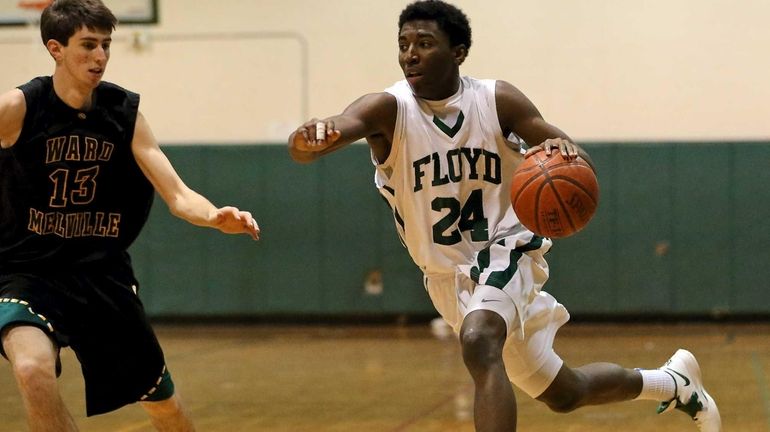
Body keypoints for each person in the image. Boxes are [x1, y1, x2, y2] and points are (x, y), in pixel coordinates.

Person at [288, 1, 721, 431]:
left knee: (478, 341)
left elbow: (574, 157)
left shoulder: (496, 101)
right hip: (446, 275)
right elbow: (323, 136)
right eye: (403, 44)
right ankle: (672, 383)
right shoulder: (387, 110)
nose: (410, 54)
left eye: (424, 43)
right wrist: (310, 138)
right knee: (563, 392)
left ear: (458, 52)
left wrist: (567, 154)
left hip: (507, 247)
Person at [0, 1, 260, 431]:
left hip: (100, 274)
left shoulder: (123, 113)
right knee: (31, 369)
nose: (100, 56)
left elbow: (177, 195)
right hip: (26, 271)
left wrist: (215, 215)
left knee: (164, 404)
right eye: (87, 45)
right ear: (55, 48)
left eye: (105, 45)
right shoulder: (20, 107)